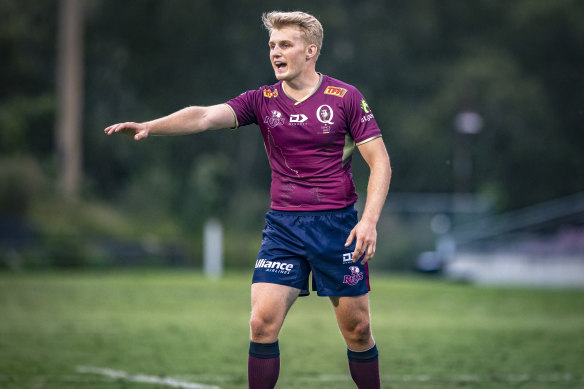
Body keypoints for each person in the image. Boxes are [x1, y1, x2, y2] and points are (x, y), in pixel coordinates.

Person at [105, 10, 391, 389]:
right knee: (261, 323)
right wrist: (150, 127)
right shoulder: (263, 100)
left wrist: (368, 220)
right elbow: (205, 116)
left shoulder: (345, 98)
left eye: (285, 44)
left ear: (311, 51)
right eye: (272, 45)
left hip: (337, 228)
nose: (275, 52)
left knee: (358, 330)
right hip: (284, 229)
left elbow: (380, 163)